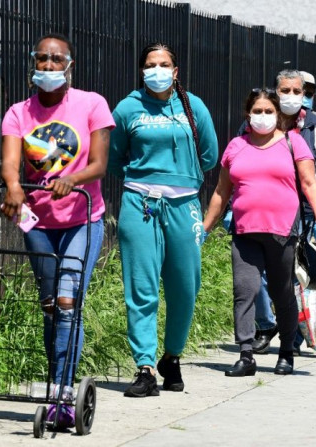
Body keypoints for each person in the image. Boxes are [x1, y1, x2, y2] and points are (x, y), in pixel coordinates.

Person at [0, 33, 114, 426]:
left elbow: (99, 164)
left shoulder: (92, 104)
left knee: (68, 301)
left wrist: (74, 178)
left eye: (56, 59)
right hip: (40, 223)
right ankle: (56, 383)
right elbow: (10, 163)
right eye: (42, 59)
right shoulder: (18, 112)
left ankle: (63, 393)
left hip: (83, 218)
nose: (48, 66)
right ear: (34, 63)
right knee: (51, 307)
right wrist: (14, 188)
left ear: (70, 65)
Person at [108, 42, 219, 397]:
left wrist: (180, 178)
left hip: (183, 205)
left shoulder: (193, 106)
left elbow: (209, 155)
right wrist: (143, 178)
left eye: (165, 63)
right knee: (141, 287)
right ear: (142, 70)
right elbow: (113, 158)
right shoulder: (128, 108)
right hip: (139, 203)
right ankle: (144, 366)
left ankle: (171, 357)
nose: (158, 69)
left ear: (176, 71)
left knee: (185, 288)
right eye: (151, 64)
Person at [202, 88, 316, 376]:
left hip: (282, 232)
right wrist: (204, 228)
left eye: (268, 111)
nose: (262, 116)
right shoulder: (237, 146)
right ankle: (246, 353)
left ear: (277, 115)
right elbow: (221, 191)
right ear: (247, 114)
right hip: (244, 231)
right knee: (245, 290)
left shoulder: (293, 143)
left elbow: (310, 183)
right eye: (257, 111)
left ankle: (287, 350)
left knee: (281, 292)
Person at [250, 69, 316, 354]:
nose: (290, 96)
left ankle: (294, 334)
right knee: (259, 274)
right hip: (266, 208)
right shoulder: (263, 119)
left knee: (296, 274)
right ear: (275, 91)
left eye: (297, 91)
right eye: (285, 90)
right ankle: (266, 324)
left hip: (302, 211)